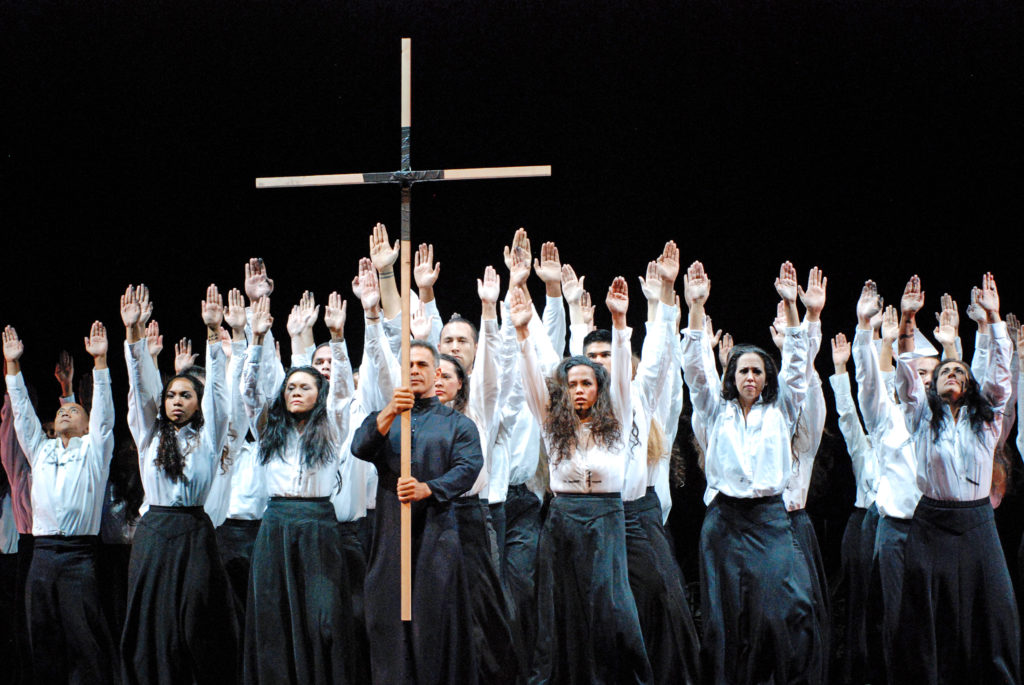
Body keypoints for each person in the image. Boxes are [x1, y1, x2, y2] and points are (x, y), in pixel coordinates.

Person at [682, 260, 822, 684]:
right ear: (732, 374)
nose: (749, 376)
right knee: (725, 617)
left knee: (783, 610)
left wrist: (791, 306)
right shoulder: (715, 411)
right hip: (724, 521)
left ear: (765, 377)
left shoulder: (782, 409)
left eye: (756, 370)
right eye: (742, 370)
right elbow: (695, 372)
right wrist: (695, 306)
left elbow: (798, 365)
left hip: (768, 520)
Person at [514, 277, 653, 684]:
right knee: (560, 607)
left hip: (606, 519)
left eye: (586, 383)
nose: (578, 390)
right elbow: (531, 383)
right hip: (564, 520)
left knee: (611, 607)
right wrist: (523, 334)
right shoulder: (552, 424)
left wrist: (620, 320)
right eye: (572, 383)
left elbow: (625, 374)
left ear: (599, 388)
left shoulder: (619, 417)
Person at [890, 273, 1020, 684]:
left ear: (969, 386)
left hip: (978, 524)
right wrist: (908, 322)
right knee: (929, 620)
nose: (951, 374)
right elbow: (908, 379)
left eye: (959, 372)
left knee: (992, 615)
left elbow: (1000, 377)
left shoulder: (986, 423)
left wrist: (994, 316)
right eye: (944, 371)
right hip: (932, 525)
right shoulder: (922, 417)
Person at [240, 292, 363, 684]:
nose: (295, 391)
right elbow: (249, 392)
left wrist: (338, 338)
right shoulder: (267, 431)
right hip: (275, 526)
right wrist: (256, 341)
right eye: (290, 386)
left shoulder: (332, 429)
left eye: (304, 387)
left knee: (322, 618)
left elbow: (343, 393)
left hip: (318, 528)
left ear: (318, 394)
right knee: (273, 619)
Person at [120, 284, 238, 685]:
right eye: (171, 394)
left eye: (185, 395)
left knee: (196, 621)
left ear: (196, 402)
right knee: (150, 621)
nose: (174, 401)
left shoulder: (209, 436)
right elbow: (139, 389)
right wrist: (133, 335)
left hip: (193, 534)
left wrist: (212, 331)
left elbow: (220, 395)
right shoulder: (149, 436)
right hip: (154, 532)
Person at [351, 333, 483, 684]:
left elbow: (468, 469)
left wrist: (429, 488)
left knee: (432, 623)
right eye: (408, 364)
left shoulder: (458, 425)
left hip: (436, 534)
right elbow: (360, 448)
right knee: (387, 620)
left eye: (422, 364)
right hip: (391, 533)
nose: (414, 370)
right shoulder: (388, 416)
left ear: (436, 372)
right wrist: (392, 409)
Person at [3, 322, 118, 683]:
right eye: (62, 411)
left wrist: (100, 363)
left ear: (87, 427)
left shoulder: (94, 451)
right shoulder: (42, 450)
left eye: (75, 412)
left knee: (85, 641)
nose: (66, 412)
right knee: (43, 638)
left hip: (79, 556)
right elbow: (21, 415)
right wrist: (13, 367)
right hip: (41, 555)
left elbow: (103, 418)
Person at [828, 331, 880, 685]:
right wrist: (841, 369)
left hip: (907, 527)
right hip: (864, 526)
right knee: (863, 607)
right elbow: (847, 414)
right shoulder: (866, 445)